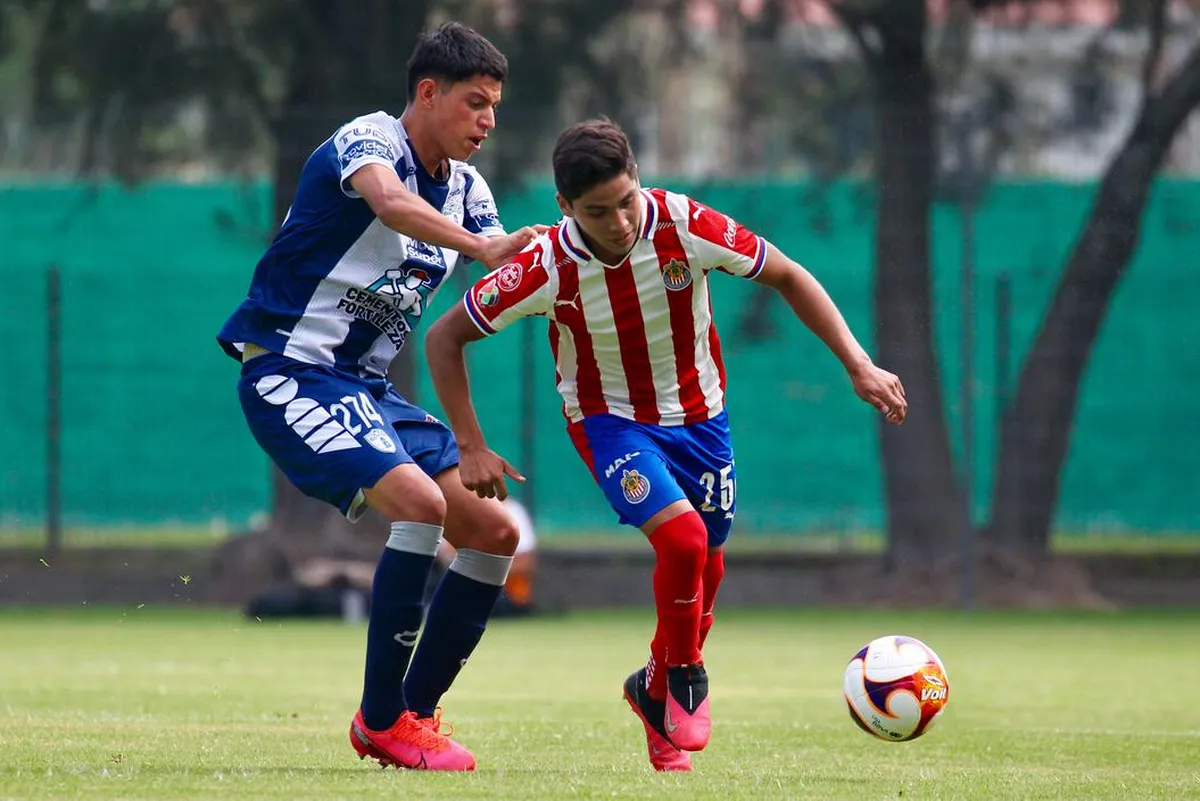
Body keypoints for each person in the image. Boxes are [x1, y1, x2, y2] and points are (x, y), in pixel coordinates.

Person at [423, 119, 908, 772]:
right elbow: (444, 338)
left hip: (703, 420)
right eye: (598, 211)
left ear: (639, 182)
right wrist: (470, 444)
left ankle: (651, 693)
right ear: (565, 208)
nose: (620, 221)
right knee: (683, 542)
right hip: (610, 423)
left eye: (627, 200)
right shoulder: (545, 267)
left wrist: (858, 363)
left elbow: (788, 275)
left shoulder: (683, 223)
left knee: (709, 566)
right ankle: (683, 676)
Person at [216, 22, 538, 772]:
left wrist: (571, 270)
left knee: (493, 535)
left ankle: (413, 715)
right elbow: (390, 204)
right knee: (424, 509)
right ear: (427, 93)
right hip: (290, 373)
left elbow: (499, 281)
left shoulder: (468, 188)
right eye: (475, 103)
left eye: (495, 106)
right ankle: (382, 718)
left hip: (367, 391)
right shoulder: (370, 141)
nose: (488, 120)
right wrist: (484, 246)